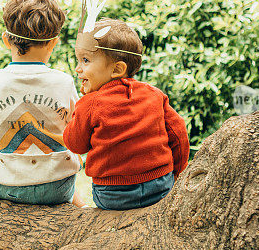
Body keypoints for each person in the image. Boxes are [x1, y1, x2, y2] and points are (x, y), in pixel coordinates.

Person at [63, 18, 189, 210]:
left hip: (113, 194)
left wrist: (77, 113)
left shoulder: (89, 103)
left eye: (85, 60)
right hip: (161, 186)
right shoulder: (154, 94)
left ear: (117, 69)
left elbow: (75, 144)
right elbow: (178, 134)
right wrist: (175, 173)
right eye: (78, 60)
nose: (78, 68)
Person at [0, 0, 85, 206]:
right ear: (53, 43)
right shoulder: (63, 81)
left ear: (6, 40)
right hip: (58, 187)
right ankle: (81, 206)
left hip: (7, 187)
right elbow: (74, 123)